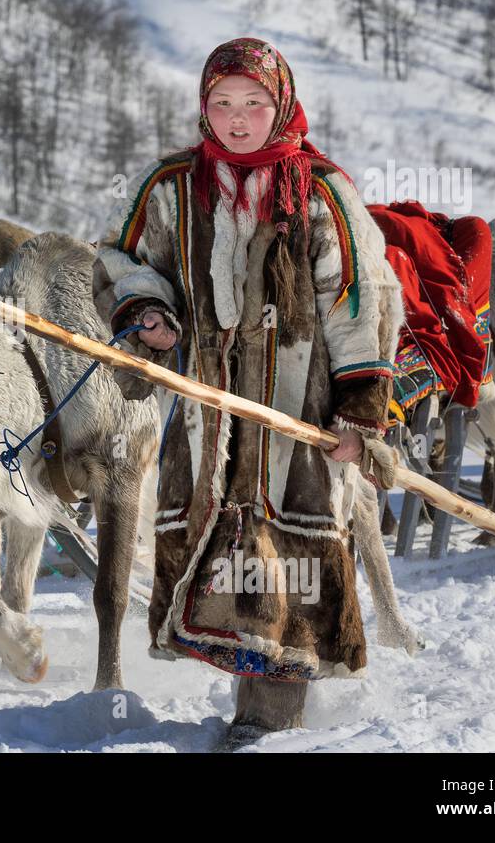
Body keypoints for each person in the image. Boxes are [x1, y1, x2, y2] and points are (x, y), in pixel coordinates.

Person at [93, 37, 404, 734]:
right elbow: (121, 259)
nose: (237, 119)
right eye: (222, 103)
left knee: (289, 557)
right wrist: (148, 312)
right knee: (220, 553)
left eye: (254, 103)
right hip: (207, 416)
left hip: (301, 413)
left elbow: (361, 300)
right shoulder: (172, 186)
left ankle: (269, 720)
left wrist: (362, 412)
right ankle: (253, 706)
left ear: (282, 103)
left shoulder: (320, 192)